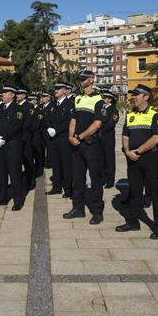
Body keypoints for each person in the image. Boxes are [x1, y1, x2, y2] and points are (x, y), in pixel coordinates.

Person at [116, 84, 158, 239]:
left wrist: (138, 151)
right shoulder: (131, 114)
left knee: (155, 192)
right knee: (135, 191)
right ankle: (133, 221)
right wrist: (127, 151)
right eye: (133, 94)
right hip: (132, 158)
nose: (133, 97)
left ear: (146, 97)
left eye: (137, 94)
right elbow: (125, 135)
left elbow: (156, 138)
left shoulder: (155, 114)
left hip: (149, 157)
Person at [64, 70, 106, 224]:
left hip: (91, 144)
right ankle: (78, 208)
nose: (81, 81)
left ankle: (97, 212)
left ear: (92, 80)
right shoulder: (78, 98)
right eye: (80, 79)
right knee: (78, 178)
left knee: (95, 179)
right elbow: (73, 120)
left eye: (84, 79)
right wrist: (70, 136)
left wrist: (79, 137)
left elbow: (97, 124)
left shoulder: (99, 99)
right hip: (76, 144)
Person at [0, 86, 26, 210]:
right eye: (3, 93)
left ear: (12, 95)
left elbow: (17, 126)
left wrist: (4, 137)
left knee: (14, 173)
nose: (3, 95)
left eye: (5, 93)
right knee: (1, 173)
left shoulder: (18, 108)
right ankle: (2, 197)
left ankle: (18, 200)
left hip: (12, 145)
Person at [46, 83, 74, 197]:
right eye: (55, 89)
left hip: (63, 138)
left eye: (59, 89)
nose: (56, 91)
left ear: (65, 91)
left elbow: (70, 121)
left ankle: (68, 189)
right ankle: (56, 186)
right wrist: (49, 127)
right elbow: (46, 117)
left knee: (66, 164)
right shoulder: (52, 105)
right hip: (53, 138)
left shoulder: (70, 105)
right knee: (55, 163)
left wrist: (56, 129)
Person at [100, 90, 120, 189]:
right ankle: (103, 178)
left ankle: (110, 180)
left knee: (109, 159)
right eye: (104, 97)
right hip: (100, 137)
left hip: (108, 136)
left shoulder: (113, 109)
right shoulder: (101, 108)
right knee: (101, 158)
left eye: (106, 98)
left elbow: (112, 122)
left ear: (110, 100)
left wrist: (101, 129)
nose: (104, 99)